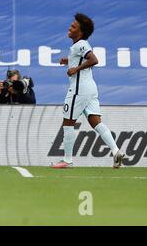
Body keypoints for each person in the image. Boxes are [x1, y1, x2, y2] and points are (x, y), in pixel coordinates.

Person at [51, 13, 125, 169]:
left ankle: (68, 160)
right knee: (95, 122)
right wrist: (69, 61)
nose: (69, 28)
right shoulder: (78, 45)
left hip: (79, 89)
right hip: (90, 87)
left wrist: (75, 68)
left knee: (68, 121)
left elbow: (94, 60)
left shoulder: (81, 44)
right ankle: (116, 151)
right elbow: (84, 59)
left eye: (73, 26)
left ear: (81, 31)